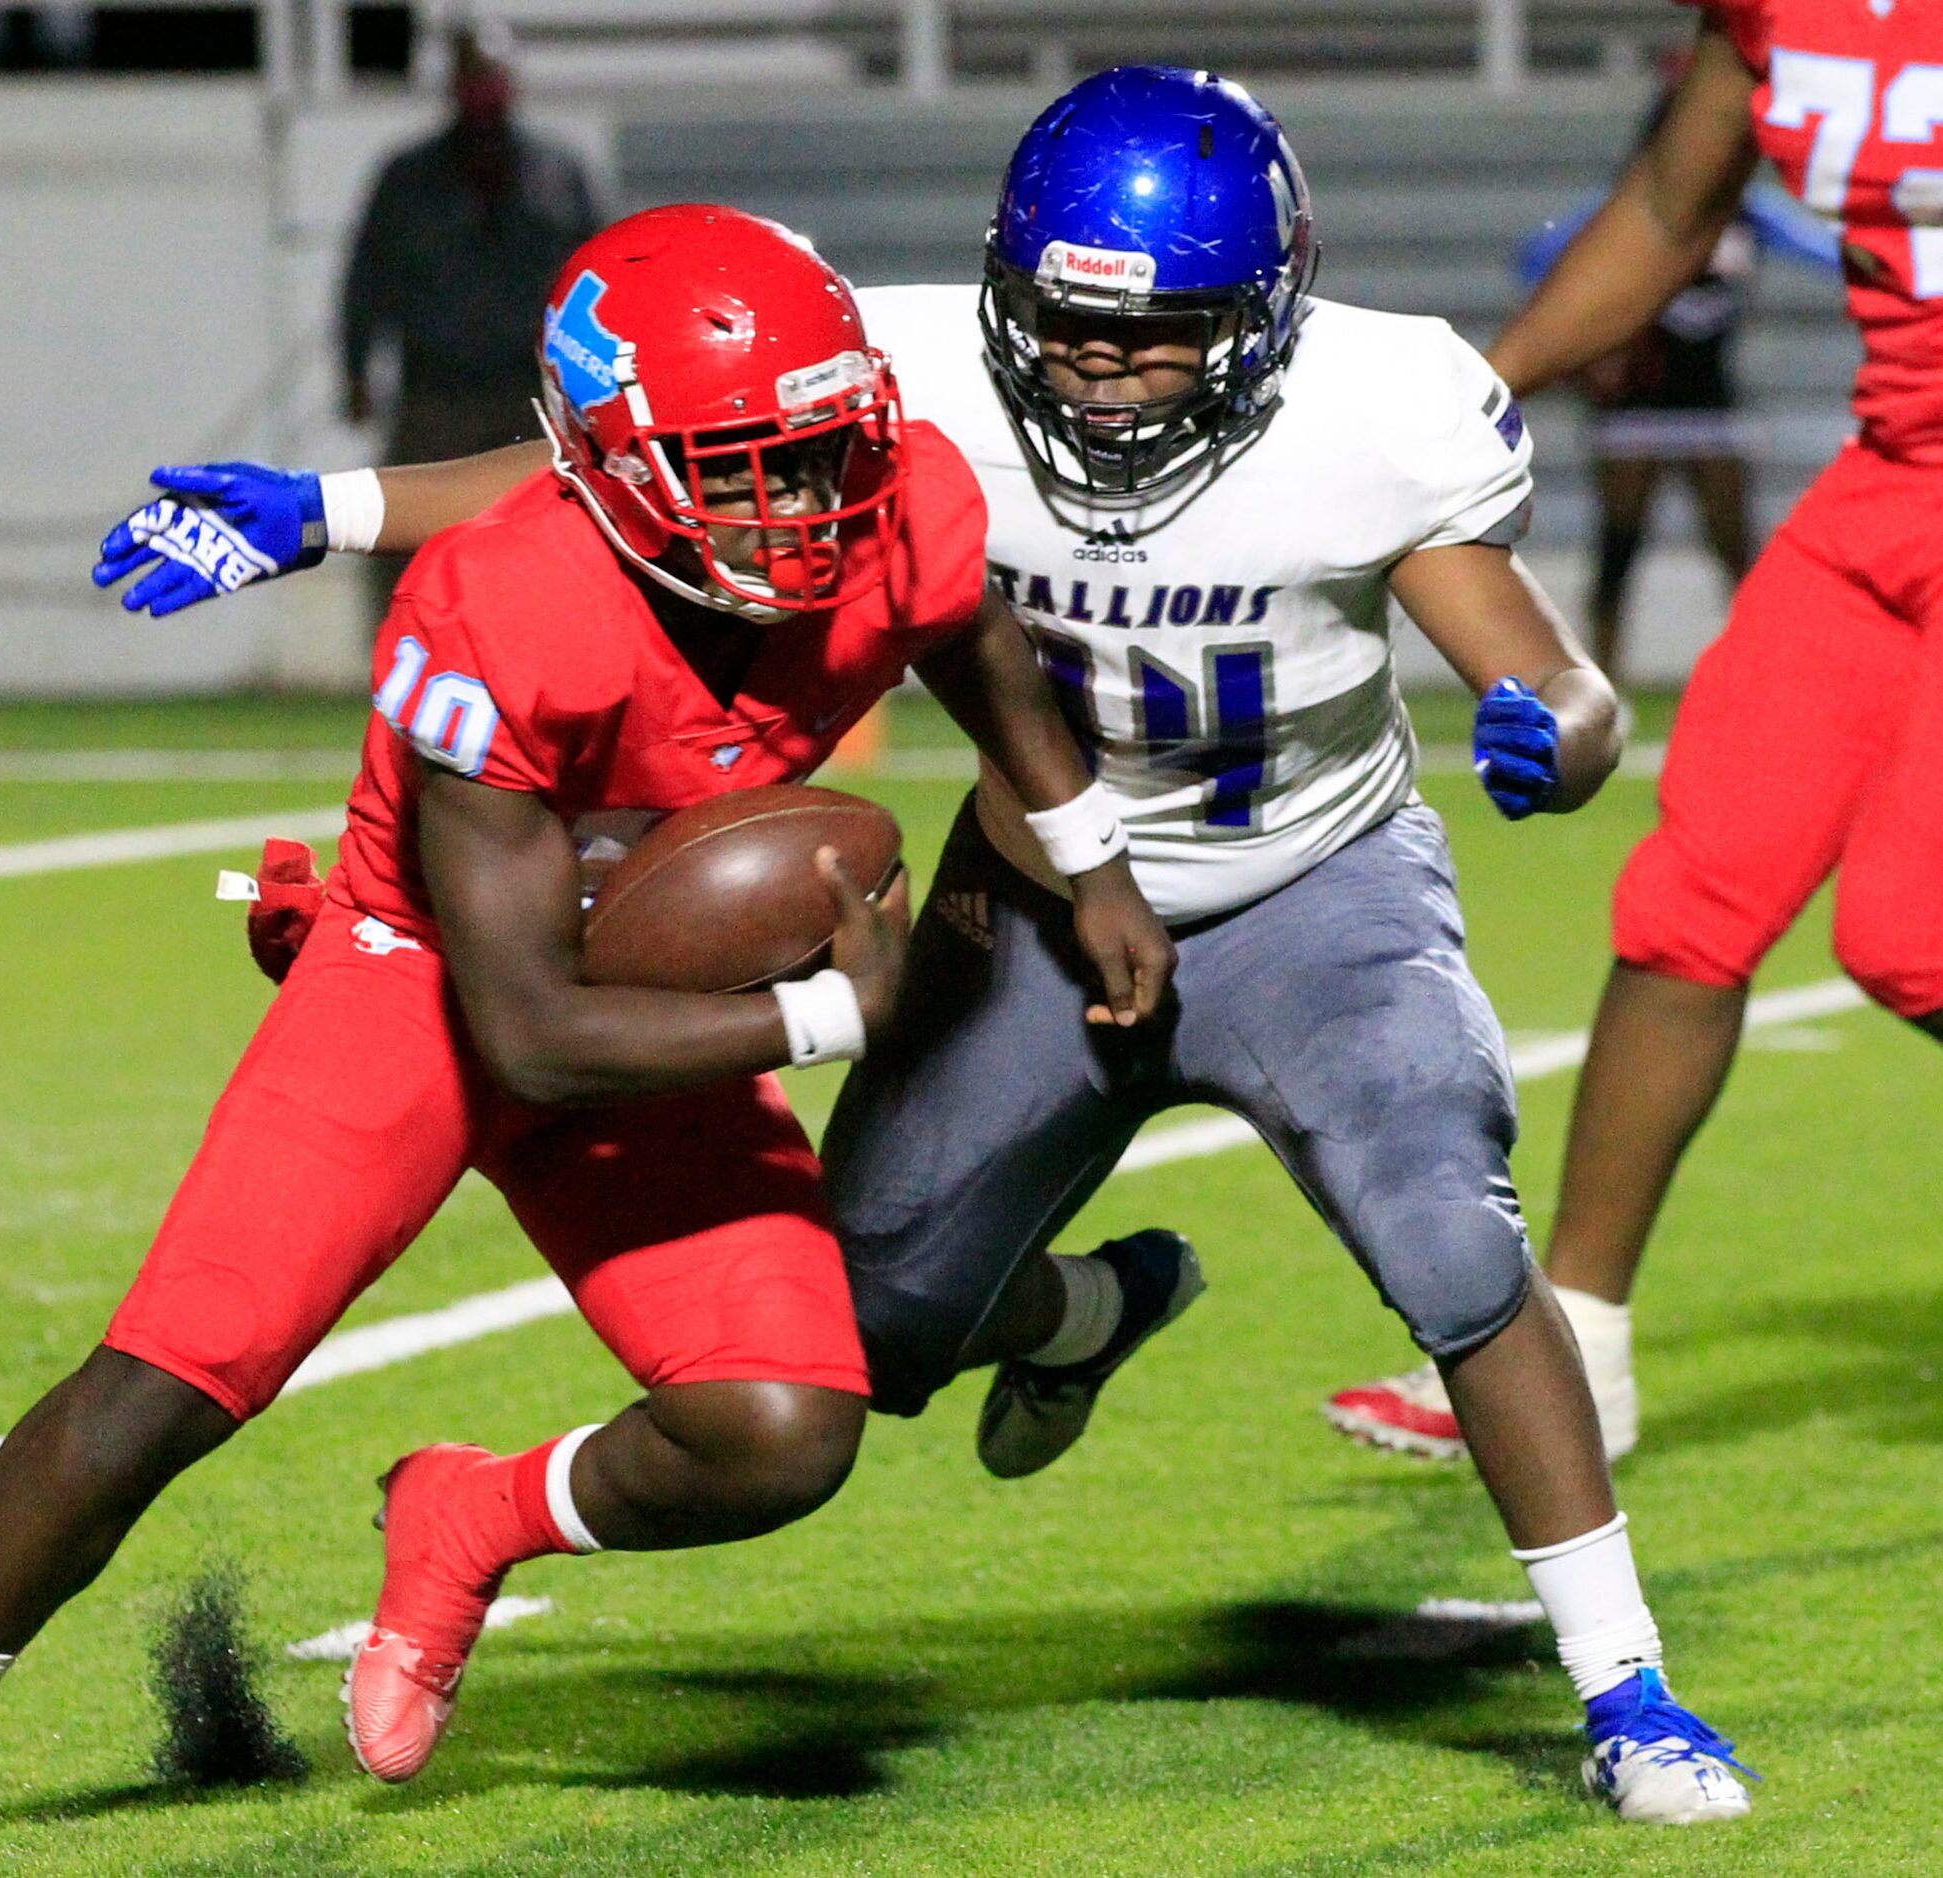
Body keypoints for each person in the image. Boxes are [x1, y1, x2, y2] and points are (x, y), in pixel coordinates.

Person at [91, 68, 1758, 1829]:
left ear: (1264, 311)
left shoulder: (1382, 401)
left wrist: (1559, 726)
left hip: (1309, 889)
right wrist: (333, 509)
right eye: (1067, 331)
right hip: (1038, 889)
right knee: (861, 1335)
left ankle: (1623, 1684)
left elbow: (1540, 666)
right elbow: (604, 468)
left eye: (1160, 338)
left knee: (1445, 1229)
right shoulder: (901, 373)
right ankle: (1078, 1308)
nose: (1101, 374)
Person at [0, 204, 1171, 1866]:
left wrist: (1092, 861)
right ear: (591, 466)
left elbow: (982, 651)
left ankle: (472, 1511)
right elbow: (523, 1035)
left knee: (786, 1426)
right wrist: (826, 1009)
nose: (793, 508)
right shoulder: (502, 603)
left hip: (649, 987)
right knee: (167, 1380)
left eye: (813, 454)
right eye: (736, 467)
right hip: (427, 977)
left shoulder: (904, 509)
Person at [1327, 3, 1943, 1467]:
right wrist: (1472, 398)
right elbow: (1671, 202)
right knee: (1690, 899)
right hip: (1888, 486)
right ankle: (1575, 1346)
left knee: (1909, 933)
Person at [1519, 63, 1836, 679]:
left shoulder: (1750, 212)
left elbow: (1826, 251)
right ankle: (1601, 679)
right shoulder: (1624, 209)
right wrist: (1585, 348)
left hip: (1712, 400)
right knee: (1618, 547)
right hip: (1634, 405)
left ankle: (1758, 676)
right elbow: (1538, 258)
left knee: (1736, 548)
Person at [340, 29, 599, 626]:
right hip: (436, 393)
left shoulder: (556, 174)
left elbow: (594, 287)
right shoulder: (407, 178)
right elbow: (366, 282)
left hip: (527, 396)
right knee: (404, 527)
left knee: (548, 533)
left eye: (492, 78)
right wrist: (355, 372)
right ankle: (403, 648)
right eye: (472, 78)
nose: (483, 93)